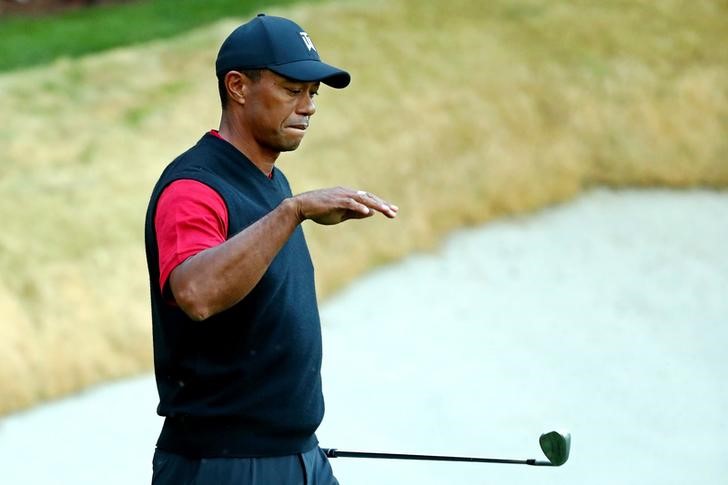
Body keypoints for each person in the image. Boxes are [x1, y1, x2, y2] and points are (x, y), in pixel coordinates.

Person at [143, 13, 398, 485]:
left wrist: (290, 207)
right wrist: (292, 212)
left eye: (313, 94)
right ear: (237, 86)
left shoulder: (271, 180)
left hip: (299, 455)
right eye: (291, 89)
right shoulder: (193, 188)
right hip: (226, 467)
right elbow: (195, 293)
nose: (308, 106)